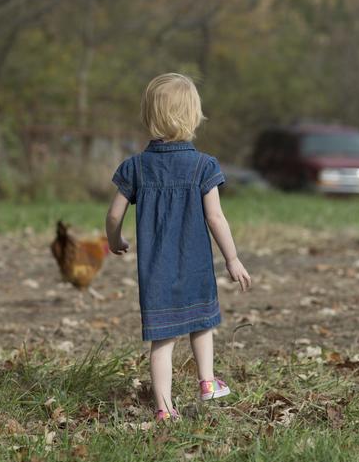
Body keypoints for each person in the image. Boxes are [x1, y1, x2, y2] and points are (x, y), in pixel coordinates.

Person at [106, 73, 251, 422]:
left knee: (163, 340)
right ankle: (207, 382)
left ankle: (164, 408)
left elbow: (113, 214)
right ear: (193, 116)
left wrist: (116, 240)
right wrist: (232, 258)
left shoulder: (136, 167)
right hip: (196, 266)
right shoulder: (204, 165)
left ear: (149, 116)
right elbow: (216, 218)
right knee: (202, 324)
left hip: (156, 271)